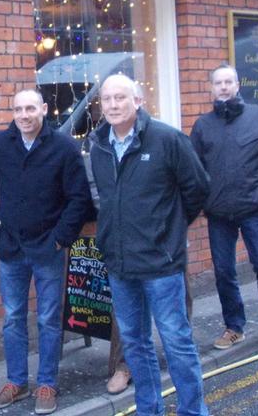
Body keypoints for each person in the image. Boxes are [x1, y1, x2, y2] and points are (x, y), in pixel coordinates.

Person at [88, 74, 209, 416]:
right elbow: (106, 199)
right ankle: (149, 409)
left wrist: (169, 231)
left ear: (138, 101)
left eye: (120, 98)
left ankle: (193, 411)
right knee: (135, 344)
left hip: (160, 263)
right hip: (120, 264)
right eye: (107, 99)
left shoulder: (167, 139)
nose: (113, 105)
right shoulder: (99, 147)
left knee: (176, 342)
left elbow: (198, 188)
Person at [0, 88, 92, 415]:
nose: (24, 115)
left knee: (49, 318)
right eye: (18, 109)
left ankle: (47, 383)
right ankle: (17, 382)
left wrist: (61, 238)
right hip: (11, 246)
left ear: (43, 109)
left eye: (30, 108)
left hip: (49, 247)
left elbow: (79, 197)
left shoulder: (64, 147)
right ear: (13, 112)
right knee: (13, 317)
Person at [190, 64, 258, 350]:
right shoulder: (202, 126)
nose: (223, 87)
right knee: (224, 272)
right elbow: (193, 168)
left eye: (228, 82)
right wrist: (205, 200)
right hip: (219, 213)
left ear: (237, 85)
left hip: (255, 209)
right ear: (211, 88)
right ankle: (234, 327)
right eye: (218, 83)